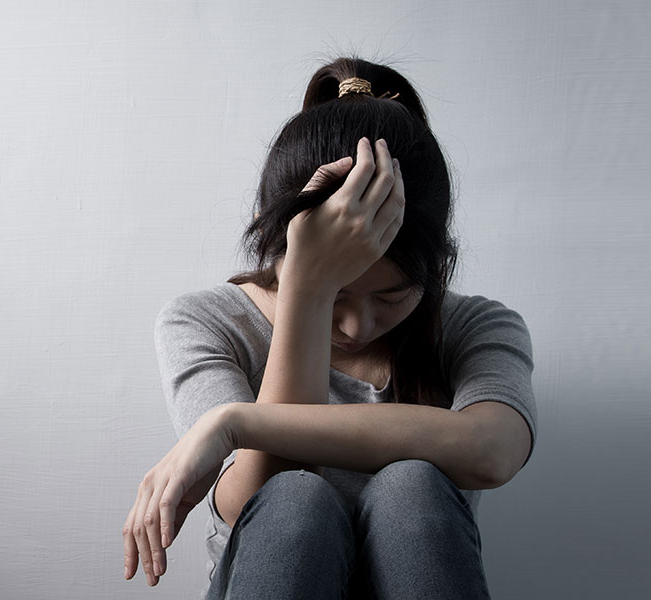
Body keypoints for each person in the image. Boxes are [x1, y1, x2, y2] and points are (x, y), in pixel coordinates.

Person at [121, 57, 538, 599]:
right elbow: (259, 498)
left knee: (411, 485)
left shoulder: (476, 325)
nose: (358, 324)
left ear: (436, 268)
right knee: (298, 499)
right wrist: (306, 289)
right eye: (339, 295)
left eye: (391, 296)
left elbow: (493, 451)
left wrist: (235, 423)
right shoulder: (207, 321)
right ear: (282, 247)